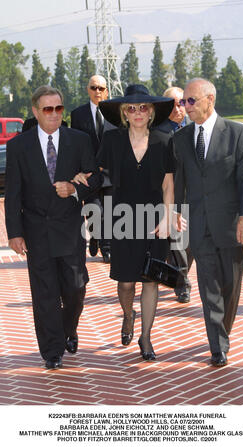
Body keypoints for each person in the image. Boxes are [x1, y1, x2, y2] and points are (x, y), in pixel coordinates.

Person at [73, 84, 175, 361]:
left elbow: (168, 184)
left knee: (151, 279)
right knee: (127, 282)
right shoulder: (113, 141)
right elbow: (96, 170)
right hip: (123, 218)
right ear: (124, 113)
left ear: (152, 111)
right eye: (132, 108)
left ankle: (146, 337)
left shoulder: (164, 141)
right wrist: (81, 176)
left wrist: (168, 216)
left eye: (143, 107)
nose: (138, 112)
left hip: (155, 219)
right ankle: (128, 315)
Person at [4, 85, 101, 369]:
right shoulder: (18, 146)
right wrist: (15, 232)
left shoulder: (79, 140)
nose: (54, 114)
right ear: (35, 111)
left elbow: (95, 179)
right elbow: (13, 193)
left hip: (70, 229)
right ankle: (52, 351)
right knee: (45, 293)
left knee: (75, 287)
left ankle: (68, 329)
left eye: (59, 108)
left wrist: (73, 189)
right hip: (36, 230)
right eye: (48, 109)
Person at [174, 78, 243, 367]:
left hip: (234, 224)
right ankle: (218, 345)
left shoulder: (238, 134)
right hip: (199, 225)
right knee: (208, 285)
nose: (186, 107)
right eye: (184, 101)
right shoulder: (182, 139)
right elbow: (180, 180)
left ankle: (224, 330)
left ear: (210, 99)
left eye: (191, 101)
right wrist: (175, 213)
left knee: (229, 286)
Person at [71, 74, 115, 263]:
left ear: (107, 91)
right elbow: (74, 145)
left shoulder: (115, 112)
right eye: (94, 87)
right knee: (95, 210)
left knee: (110, 211)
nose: (97, 91)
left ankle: (107, 248)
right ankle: (95, 235)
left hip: (111, 173)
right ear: (88, 89)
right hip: (89, 173)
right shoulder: (78, 115)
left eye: (101, 88)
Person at [157, 86, 194, 303]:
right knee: (178, 242)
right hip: (169, 196)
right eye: (172, 103)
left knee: (191, 246)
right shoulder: (158, 133)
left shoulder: (194, 129)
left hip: (194, 196)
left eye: (181, 102)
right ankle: (182, 284)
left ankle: (179, 272)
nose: (178, 108)